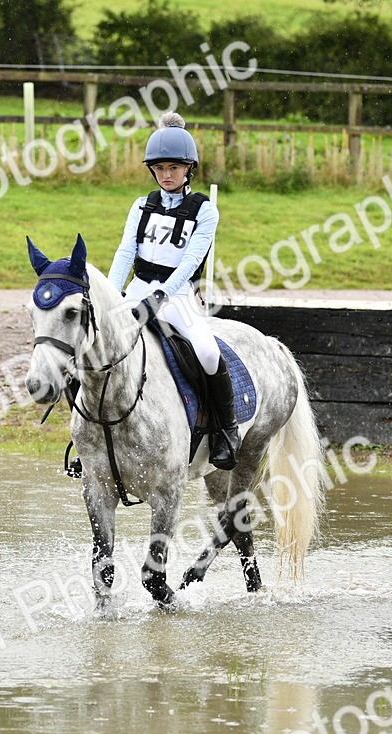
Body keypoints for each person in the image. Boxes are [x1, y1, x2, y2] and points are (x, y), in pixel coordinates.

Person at [108, 112, 241, 471]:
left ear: (188, 169)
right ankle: (85, 436)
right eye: (160, 168)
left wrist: (162, 295)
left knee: (208, 352)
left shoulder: (205, 211)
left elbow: (190, 262)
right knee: (97, 343)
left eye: (174, 168)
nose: (166, 174)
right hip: (138, 289)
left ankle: (225, 430)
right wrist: (111, 294)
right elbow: (125, 252)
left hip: (178, 296)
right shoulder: (141, 205)